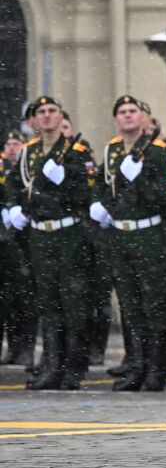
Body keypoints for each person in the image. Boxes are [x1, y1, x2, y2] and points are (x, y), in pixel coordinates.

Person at [4, 97, 97, 389]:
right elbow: (13, 186)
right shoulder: (28, 152)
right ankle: (52, 365)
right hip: (39, 235)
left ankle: (72, 367)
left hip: (68, 234)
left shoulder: (76, 152)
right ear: (34, 120)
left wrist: (64, 180)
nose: (46, 117)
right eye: (41, 112)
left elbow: (86, 194)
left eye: (52, 111)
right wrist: (12, 208)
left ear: (60, 117)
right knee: (48, 303)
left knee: (73, 302)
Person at [89, 96, 166, 391]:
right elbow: (102, 185)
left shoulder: (157, 151)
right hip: (120, 235)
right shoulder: (114, 149)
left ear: (144, 117)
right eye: (122, 112)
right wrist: (97, 205)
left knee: (153, 304)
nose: (127, 116)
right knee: (130, 305)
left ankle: (155, 371)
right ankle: (136, 366)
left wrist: (137, 182)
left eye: (133, 111)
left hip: (149, 235)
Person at [0, 129, 36, 369]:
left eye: (16, 143)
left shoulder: (26, 167)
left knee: (24, 297)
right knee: (7, 300)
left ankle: (24, 348)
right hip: (5, 238)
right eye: (9, 143)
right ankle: (13, 348)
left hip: (22, 239)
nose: (12, 147)